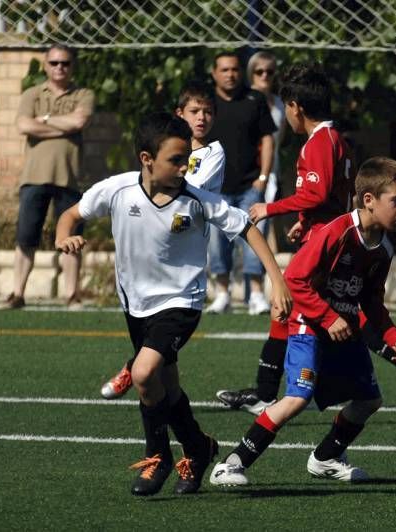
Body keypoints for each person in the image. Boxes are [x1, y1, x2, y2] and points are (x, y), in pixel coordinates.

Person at [55, 112, 292, 496]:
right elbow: (71, 215)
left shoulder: (196, 199)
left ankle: (158, 456)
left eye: (187, 159)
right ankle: (198, 447)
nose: (185, 168)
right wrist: (63, 237)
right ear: (147, 159)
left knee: (145, 373)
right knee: (168, 388)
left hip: (183, 301)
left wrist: (276, 280)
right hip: (136, 305)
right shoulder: (117, 189)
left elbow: (245, 226)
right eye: (176, 160)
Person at [214, 63, 396, 416]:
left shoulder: (318, 142)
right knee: (288, 311)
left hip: (328, 246)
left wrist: (270, 209)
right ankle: (263, 392)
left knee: (342, 316)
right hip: (325, 235)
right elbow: (331, 196)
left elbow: (318, 194)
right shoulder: (335, 140)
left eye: (286, 106)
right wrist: (304, 221)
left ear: (295, 107)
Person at [210, 157, 396, 487]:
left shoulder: (384, 248)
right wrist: (327, 317)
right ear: (370, 200)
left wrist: (392, 335)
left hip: (341, 328)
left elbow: (372, 301)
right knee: (297, 397)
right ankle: (230, 464)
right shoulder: (337, 232)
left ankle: (326, 458)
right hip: (309, 322)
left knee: (369, 401)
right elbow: (295, 280)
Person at [99, 80, 225, 400]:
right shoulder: (163, 151)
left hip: (181, 244)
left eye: (208, 112)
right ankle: (191, 440)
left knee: (160, 343)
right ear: (179, 114)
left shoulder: (213, 153)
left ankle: (135, 366)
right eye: (194, 111)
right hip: (150, 253)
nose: (202, 118)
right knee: (166, 367)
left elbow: (183, 186)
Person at [0, 44, 94, 310]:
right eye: (54, 63)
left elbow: (79, 123)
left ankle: (72, 294)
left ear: (72, 66)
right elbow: (23, 125)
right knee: (26, 235)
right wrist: (61, 126)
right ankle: (17, 293)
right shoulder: (31, 94)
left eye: (65, 63)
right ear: (45, 65)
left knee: (72, 237)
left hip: (70, 176)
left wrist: (45, 121)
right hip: (34, 176)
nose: (59, 67)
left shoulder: (84, 94)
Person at [205, 51, 277, 315]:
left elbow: (267, 139)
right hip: (215, 190)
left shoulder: (254, 99)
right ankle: (222, 294)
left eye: (234, 69)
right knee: (217, 243)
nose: (230, 74)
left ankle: (256, 295)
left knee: (253, 240)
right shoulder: (206, 103)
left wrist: (263, 179)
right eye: (224, 69)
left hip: (250, 186)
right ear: (214, 73)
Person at [246, 51, 286, 206]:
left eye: (269, 72)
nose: (264, 76)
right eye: (259, 71)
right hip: (248, 172)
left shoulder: (279, 104)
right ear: (251, 73)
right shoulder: (244, 100)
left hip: (273, 170)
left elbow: (278, 139)